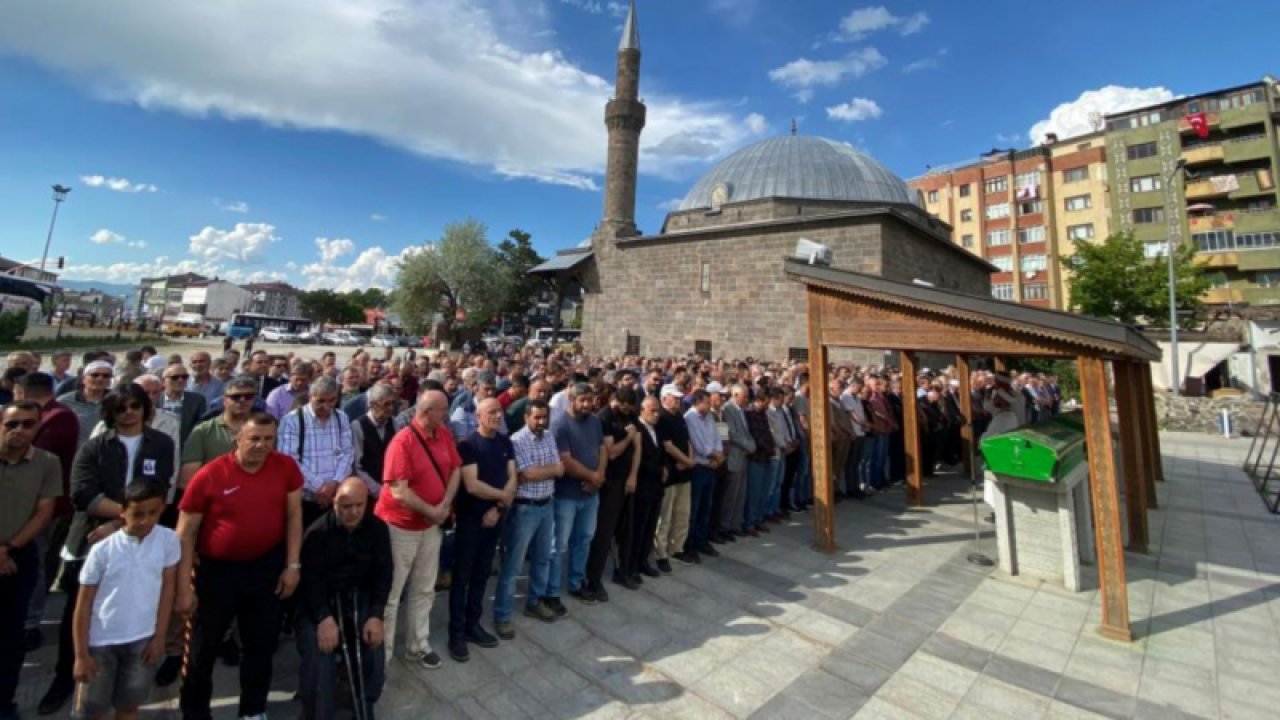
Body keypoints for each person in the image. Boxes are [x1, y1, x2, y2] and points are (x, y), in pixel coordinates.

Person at [40, 386, 175, 716]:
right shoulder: (96, 446)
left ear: (146, 409)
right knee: (80, 609)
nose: (129, 412)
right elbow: (82, 493)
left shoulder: (161, 444)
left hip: (139, 532)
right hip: (92, 537)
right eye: (121, 408)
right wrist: (124, 517)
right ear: (111, 413)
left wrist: (121, 523)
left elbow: (159, 489)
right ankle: (66, 677)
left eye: (135, 406)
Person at [176, 413, 303, 720]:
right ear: (238, 439)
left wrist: (293, 565)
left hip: (264, 569)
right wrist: (182, 587)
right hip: (217, 573)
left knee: (261, 645)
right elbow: (186, 531)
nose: (261, 446)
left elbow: (294, 515)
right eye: (254, 439)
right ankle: (195, 712)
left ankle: (253, 709)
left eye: (268, 439)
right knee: (202, 651)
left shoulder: (285, 467)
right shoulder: (210, 474)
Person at [71, 482, 179, 720]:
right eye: (138, 514)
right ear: (123, 512)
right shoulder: (102, 551)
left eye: (153, 513)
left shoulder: (168, 541)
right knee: (93, 709)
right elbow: (83, 604)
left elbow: (167, 592)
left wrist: (160, 637)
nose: (146, 521)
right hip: (101, 642)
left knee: (130, 705)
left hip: (143, 640)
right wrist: (81, 655)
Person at [374, 388, 460, 670]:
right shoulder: (403, 442)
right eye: (442, 410)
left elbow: (455, 469)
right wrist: (432, 511)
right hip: (402, 527)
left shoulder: (444, 434)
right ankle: (382, 655)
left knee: (424, 587)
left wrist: (445, 503)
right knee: (392, 592)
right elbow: (398, 489)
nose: (447, 415)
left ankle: (417, 644)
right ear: (425, 412)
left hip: (431, 526)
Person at [296, 478, 392, 720]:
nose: (354, 512)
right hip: (322, 601)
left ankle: (365, 701)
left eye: (359, 505)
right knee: (320, 654)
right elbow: (311, 583)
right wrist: (323, 618)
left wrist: (376, 615)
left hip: (360, 597)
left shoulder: (377, 529)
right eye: (347, 506)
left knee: (374, 645)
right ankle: (317, 710)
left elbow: (383, 573)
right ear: (335, 503)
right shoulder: (317, 534)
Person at [0, 401, 60, 720]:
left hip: (19, 557)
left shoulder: (47, 462)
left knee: (11, 637)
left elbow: (44, 512)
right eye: (12, 424)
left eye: (28, 424)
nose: (20, 430)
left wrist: (8, 548)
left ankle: (4, 701)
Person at [12, 373, 79, 651]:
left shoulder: (58, 417)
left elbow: (33, 456)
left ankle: (30, 623)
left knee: (35, 566)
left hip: (43, 507)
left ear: (21, 391)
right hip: (17, 506)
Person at [448, 399, 516, 662]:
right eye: (491, 412)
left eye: (499, 412)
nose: (496, 416)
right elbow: (472, 485)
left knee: (482, 574)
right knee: (462, 577)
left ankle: (472, 625)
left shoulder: (504, 442)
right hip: (470, 521)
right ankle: (456, 633)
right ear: (478, 416)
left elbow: (513, 475)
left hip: (495, 517)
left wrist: (498, 507)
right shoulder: (467, 446)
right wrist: (502, 497)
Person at [493, 400, 562, 637]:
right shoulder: (516, 441)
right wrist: (548, 469)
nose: (541, 422)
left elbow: (559, 468)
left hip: (547, 504)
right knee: (513, 564)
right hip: (525, 509)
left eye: (544, 417)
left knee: (543, 558)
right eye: (537, 418)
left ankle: (534, 602)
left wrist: (543, 471)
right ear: (526, 417)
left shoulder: (550, 436)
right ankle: (502, 614)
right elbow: (525, 474)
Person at [548, 383, 606, 604]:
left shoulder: (594, 421)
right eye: (582, 400)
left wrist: (598, 475)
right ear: (571, 400)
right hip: (567, 495)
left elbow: (602, 449)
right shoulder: (560, 424)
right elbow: (565, 459)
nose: (586, 405)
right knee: (559, 544)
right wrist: (592, 477)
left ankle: (576, 582)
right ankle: (552, 590)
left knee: (584, 539)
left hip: (590, 495)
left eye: (589, 400)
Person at [279, 377, 355, 528]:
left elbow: (348, 453)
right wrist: (320, 487)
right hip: (305, 499)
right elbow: (289, 460)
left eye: (331, 401)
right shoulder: (292, 420)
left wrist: (334, 483)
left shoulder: (341, 417)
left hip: (335, 496)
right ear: (310, 397)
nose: (326, 406)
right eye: (320, 401)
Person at [619, 396, 666, 582]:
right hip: (642, 487)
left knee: (649, 527)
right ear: (642, 410)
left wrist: (665, 468)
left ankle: (642, 561)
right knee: (636, 528)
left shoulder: (656, 430)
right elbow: (638, 459)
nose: (656, 414)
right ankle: (629, 567)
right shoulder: (636, 429)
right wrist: (658, 470)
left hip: (656, 487)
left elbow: (660, 453)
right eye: (652, 410)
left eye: (657, 410)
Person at [654, 385, 695, 571]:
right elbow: (668, 446)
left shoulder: (679, 416)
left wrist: (690, 460)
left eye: (679, 398)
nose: (678, 401)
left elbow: (687, 441)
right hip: (671, 474)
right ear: (664, 399)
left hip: (684, 473)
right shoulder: (661, 418)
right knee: (665, 517)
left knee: (682, 514)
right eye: (674, 398)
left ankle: (677, 547)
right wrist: (686, 460)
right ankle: (660, 553)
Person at [683, 390, 724, 559]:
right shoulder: (690, 418)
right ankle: (690, 543)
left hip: (711, 466)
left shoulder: (708, 416)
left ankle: (702, 540)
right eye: (706, 402)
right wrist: (715, 455)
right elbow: (698, 444)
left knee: (706, 507)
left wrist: (719, 456)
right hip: (699, 468)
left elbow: (717, 438)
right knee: (695, 508)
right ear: (697, 402)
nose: (709, 405)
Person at [350, 383, 402, 501]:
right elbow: (357, 466)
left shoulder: (394, 423)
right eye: (386, 404)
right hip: (369, 491)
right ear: (372, 404)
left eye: (393, 403)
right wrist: (377, 490)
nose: (391, 408)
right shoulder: (358, 426)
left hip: (391, 488)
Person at [719, 384, 755, 539]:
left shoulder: (741, 410)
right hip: (734, 456)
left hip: (743, 456)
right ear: (735, 394)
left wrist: (751, 444)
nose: (746, 399)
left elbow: (745, 432)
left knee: (740, 494)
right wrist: (749, 445)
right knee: (731, 495)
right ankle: (725, 526)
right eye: (744, 396)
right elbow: (730, 434)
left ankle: (735, 524)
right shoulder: (727, 409)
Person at [59, 360, 114, 445]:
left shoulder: (116, 400)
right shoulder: (64, 402)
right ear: (83, 379)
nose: (100, 378)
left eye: (106, 376)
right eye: (95, 375)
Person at [159, 364, 208, 446]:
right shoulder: (154, 400)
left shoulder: (197, 400)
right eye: (175, 377)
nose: (180, 380)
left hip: (187, 448)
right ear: (163, 381)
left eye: (184, 377)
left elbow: (201, 428)